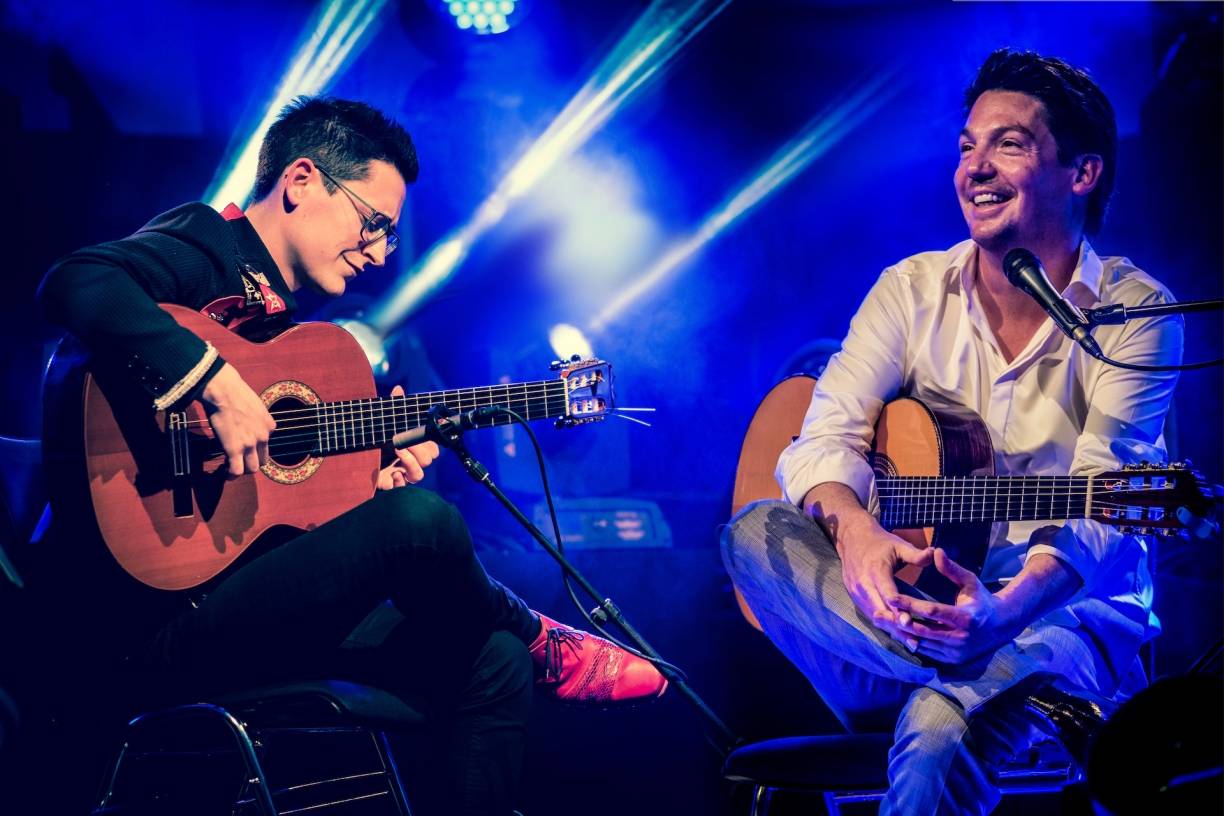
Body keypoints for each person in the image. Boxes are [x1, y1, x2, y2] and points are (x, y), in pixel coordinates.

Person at [35, 96, 666, 815]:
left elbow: (271, 514)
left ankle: (517, 648)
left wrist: (362, 484)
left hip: (239, 607)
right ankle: (537, 633)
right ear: (301, 181)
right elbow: (74, 282)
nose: (376, 255)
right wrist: (212, 382)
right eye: (374, 225)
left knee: (489, 664)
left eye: (389, 240)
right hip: (143, 629)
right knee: (421, 523)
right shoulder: (204, 246)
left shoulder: (288, 332)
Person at [722, 49, 1183, 815]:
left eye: (1009, 143)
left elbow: (1107, 502)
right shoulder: (909, 289)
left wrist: (998, 615)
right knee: (751, 534)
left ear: (1083, 173)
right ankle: (937, 666)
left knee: (935, 733)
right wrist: (863, 537)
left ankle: (947, 684)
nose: (975, 166)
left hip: (1058, 627)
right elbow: (819, 441)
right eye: (967, 145)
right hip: (890, 614)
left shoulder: (1136, 314)